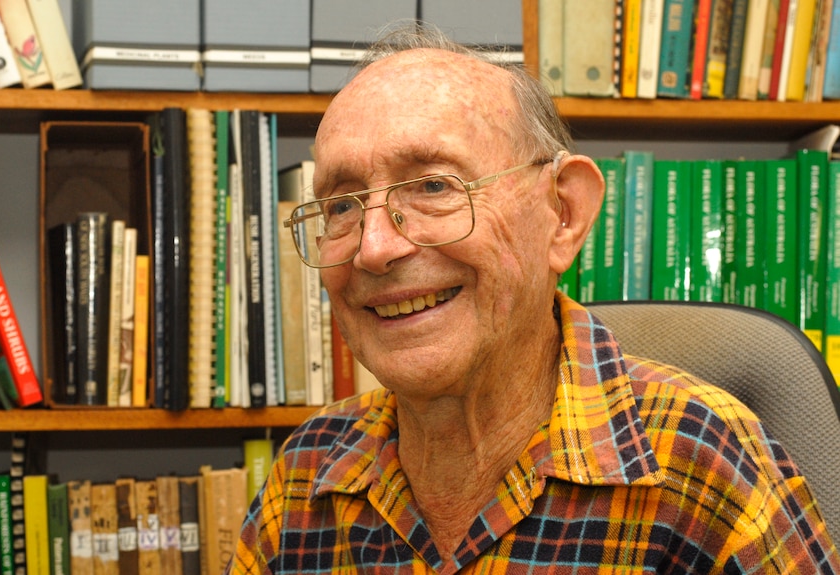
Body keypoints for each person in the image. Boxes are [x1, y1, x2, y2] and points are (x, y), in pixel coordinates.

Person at [226, 24, 839, 574]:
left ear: (563, 214)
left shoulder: (703, 462)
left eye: (435, 186)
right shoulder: (304, 477)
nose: (375, 248)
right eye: (340, 205)